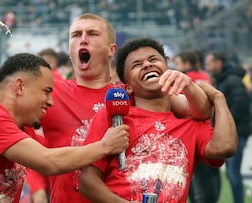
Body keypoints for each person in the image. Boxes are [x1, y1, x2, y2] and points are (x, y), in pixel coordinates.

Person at [0, 14, 213, 203]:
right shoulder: (51, 93)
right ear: (70, 50)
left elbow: (199, 112)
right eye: (75, 35)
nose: (83, 40)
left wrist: (203, 90)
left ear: (111, 49)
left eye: (92, 34)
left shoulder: (134, 93)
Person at [0, 50, 130, 203]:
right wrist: (105, 146)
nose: (51, 101)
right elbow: (48, 162)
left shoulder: (14, 127)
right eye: (46, 91)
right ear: (20, 87)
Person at [78, 37, 237, 203]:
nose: (147, 64)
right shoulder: (115, 116)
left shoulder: (190, 122)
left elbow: (224, 148)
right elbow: (87, 181)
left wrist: (219, 98)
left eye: (153, 59)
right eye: (136, 64)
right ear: (129, 86)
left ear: (168, 70)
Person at [175, 50, 221, 203]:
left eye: (179, 63)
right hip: (210, 130)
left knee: (196, 179)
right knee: (212, 175)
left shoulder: (186, 79)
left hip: (194, 132)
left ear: (187, 63)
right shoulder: (205, 77)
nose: (177, 67)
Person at [204, 51, 251, 203]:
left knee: (233, 172)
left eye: (209, 64)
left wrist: (226, 124)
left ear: (218, 63)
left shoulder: (231, 80)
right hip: (234, 132)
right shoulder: (223, 79)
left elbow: (241, 105)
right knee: (231, 172)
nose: (207, 67)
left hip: (237, 132)